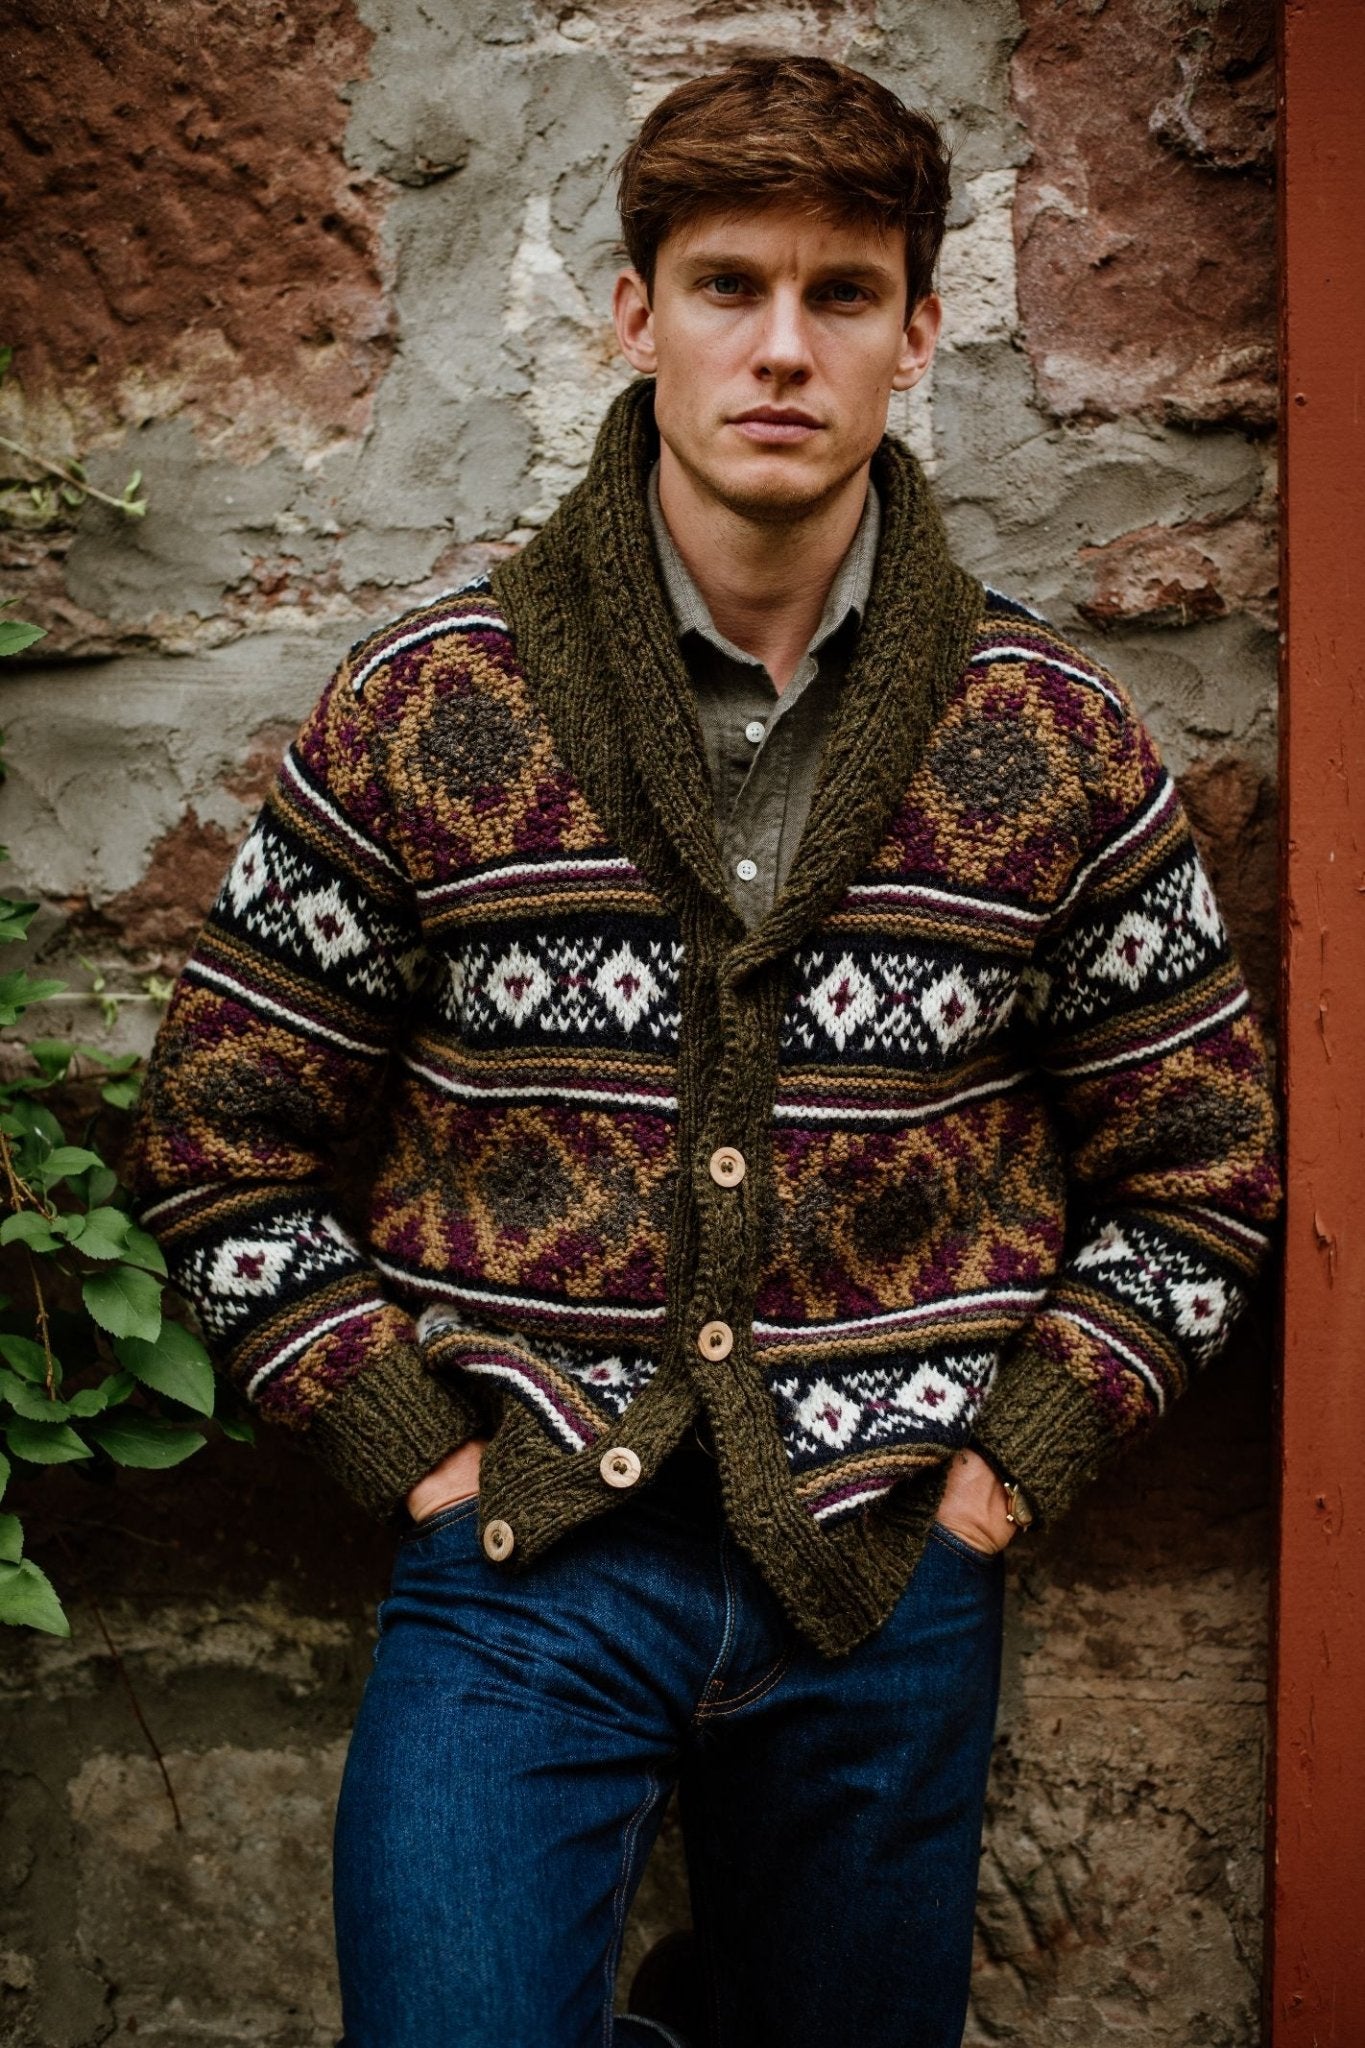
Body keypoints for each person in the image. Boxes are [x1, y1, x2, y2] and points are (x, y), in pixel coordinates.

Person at [128, 53, 1283, 2048]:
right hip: (515, 1570)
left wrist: (998, 1480)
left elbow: (1199, 1171)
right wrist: (406, 1450)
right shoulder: (432, 708)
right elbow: (219, 1136)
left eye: (839, 295)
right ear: (629, 315)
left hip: (887, 1588)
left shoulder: (1050, 742)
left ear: (918, 335)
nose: (778, 346)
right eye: (726, 282)